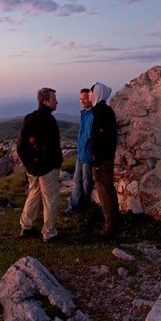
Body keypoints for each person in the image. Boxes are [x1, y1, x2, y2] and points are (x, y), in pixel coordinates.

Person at [16, 87, 63, 243]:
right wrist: (57, 164)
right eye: (54, 99)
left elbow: (20, 145)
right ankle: (49, 233)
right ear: (45, 101)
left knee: (34, 194)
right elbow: (54, 147)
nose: (57, 102)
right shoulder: (49, 120)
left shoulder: (29, 118)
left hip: (32, 168)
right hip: (47, 168)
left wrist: (28, 164)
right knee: (51, 199)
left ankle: (26, 227)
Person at [89, 82, 120, 239]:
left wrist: (97, 159)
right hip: (105, 158)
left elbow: (100, 138)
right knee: (106, 190)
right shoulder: (103, 110)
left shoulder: (102, 112)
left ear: (97, 94)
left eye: (91, 92)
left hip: (103, 160)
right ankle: (112, 223)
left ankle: (111, 229)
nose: (89, 95)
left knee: (105, 191)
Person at [65, 88, 94, 214]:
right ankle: (73, 208)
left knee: (87, 181)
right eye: (81, 99)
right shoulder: (84, 114)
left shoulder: (94, 115)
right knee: (77, 180)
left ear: (90, 98)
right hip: (81, 153)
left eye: (85, 98)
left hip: (88, 153)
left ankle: (85, 207)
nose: (82, 101)